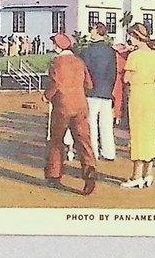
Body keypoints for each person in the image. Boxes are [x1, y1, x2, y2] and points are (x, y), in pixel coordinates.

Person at [43, 33, 97, 196]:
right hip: (80, 105)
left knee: (56, 141)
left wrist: (47, 96)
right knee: (84, 141)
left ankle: (54, 174)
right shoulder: (79, 61)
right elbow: (89, 84)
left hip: (62, 106)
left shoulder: (57, 62)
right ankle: (90, 172)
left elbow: (56, 83)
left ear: (59, 46)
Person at [121, 23, 155, 188]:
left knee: (138, 134)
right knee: (150, 132)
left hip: (138, 94)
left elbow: (126, 78)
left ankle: (136, 175)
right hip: (151, 95)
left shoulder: (135, 56)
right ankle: (148, 173)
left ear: (136, 36)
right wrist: (152, 84)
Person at [80, 23, 118, 161]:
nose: (90, 31)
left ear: (97, 32)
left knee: (91, 123)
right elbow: (113, 73)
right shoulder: (111, 51)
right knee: (106, 124)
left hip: (92, 91)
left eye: (92, 29)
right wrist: (110, 88)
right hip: (106, 91)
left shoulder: (88, 51)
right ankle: (109, 152)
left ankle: (94, 152)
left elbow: (85, 72)